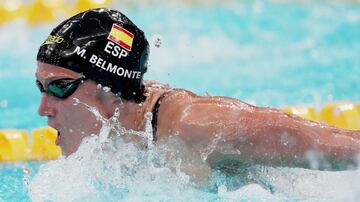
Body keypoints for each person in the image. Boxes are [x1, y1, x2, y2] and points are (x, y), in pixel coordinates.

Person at [35, 8, 360, 183]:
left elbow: (344, 147)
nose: (42, 108)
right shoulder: (120, 129)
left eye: (60, 87)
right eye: (40, 87)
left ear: (110, 89)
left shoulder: (198, 127)